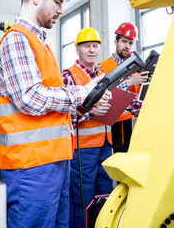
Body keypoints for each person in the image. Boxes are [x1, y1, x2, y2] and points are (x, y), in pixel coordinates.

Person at [0, 0, 111, 228]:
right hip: (30, 168)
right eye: (57, 1)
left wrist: (87, 100)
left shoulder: (39, 43)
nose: (60, 9)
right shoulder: (17, 39)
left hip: (52, 162)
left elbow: (52, 101)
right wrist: (83, 92)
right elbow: (31, 99)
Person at [61, 27, 113, 228]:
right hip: (82, 150)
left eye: (95, 46)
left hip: (104, 146)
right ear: (78, 50)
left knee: (104, 194)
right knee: (82, 199)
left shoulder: (104, 75)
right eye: (86, 46)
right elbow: (64, 115)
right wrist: (91, 113)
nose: (92, 50)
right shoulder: (69, 76)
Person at [98, 22, 149, 153]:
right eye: (124, 41)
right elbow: (102, 94)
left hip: (136, 123)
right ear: (116, 41)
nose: (127, 46)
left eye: (131, 43)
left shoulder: (137, 68)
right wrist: (129, 82)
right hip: (116, 125)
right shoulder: (102, 67)